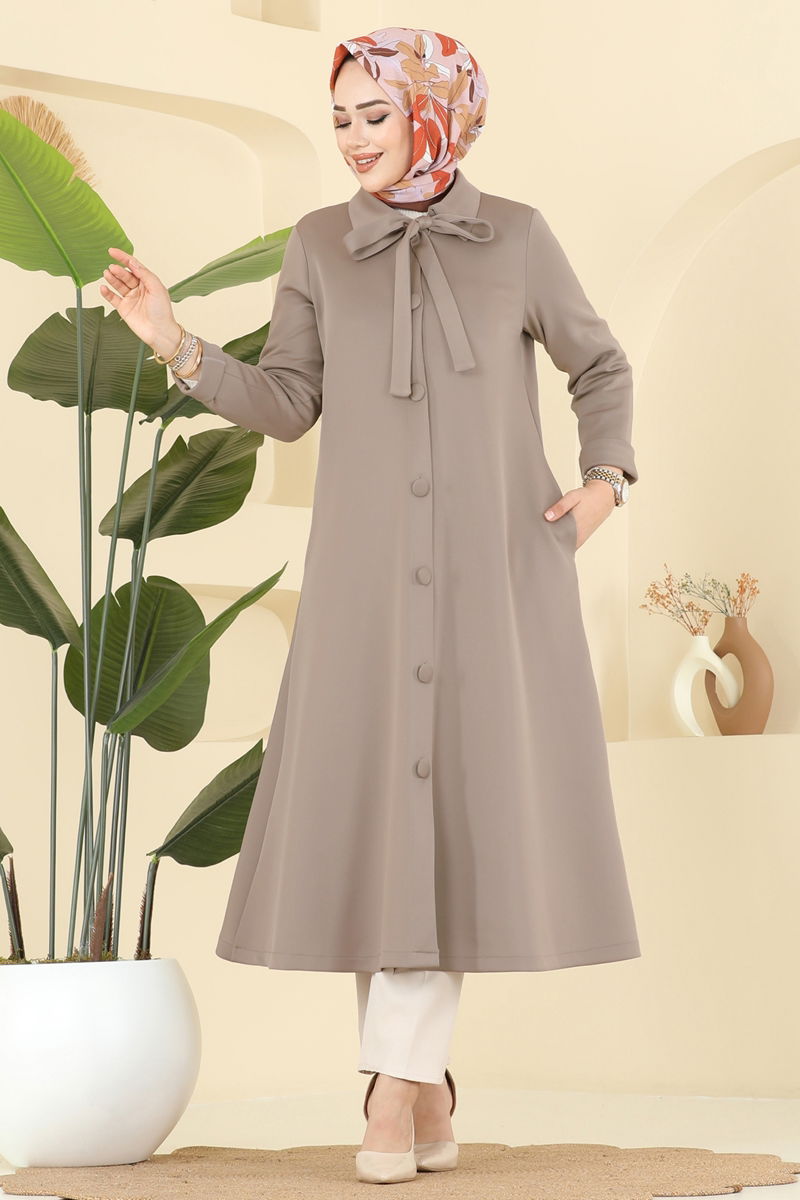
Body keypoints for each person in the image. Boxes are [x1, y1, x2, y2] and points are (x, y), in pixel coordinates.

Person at [101, 27, 640, 1185]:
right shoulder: (318, 245)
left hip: (496, 571)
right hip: (361, 578)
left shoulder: (516, 238)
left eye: (374, 114)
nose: (351, 137)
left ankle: (392, 1094)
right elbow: (289, 402)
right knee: (381, 821)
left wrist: (605, 480)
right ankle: (419, 1084)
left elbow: (598, 364)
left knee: (448, 816)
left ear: (434, 112)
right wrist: (175, 345)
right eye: (340, 117)